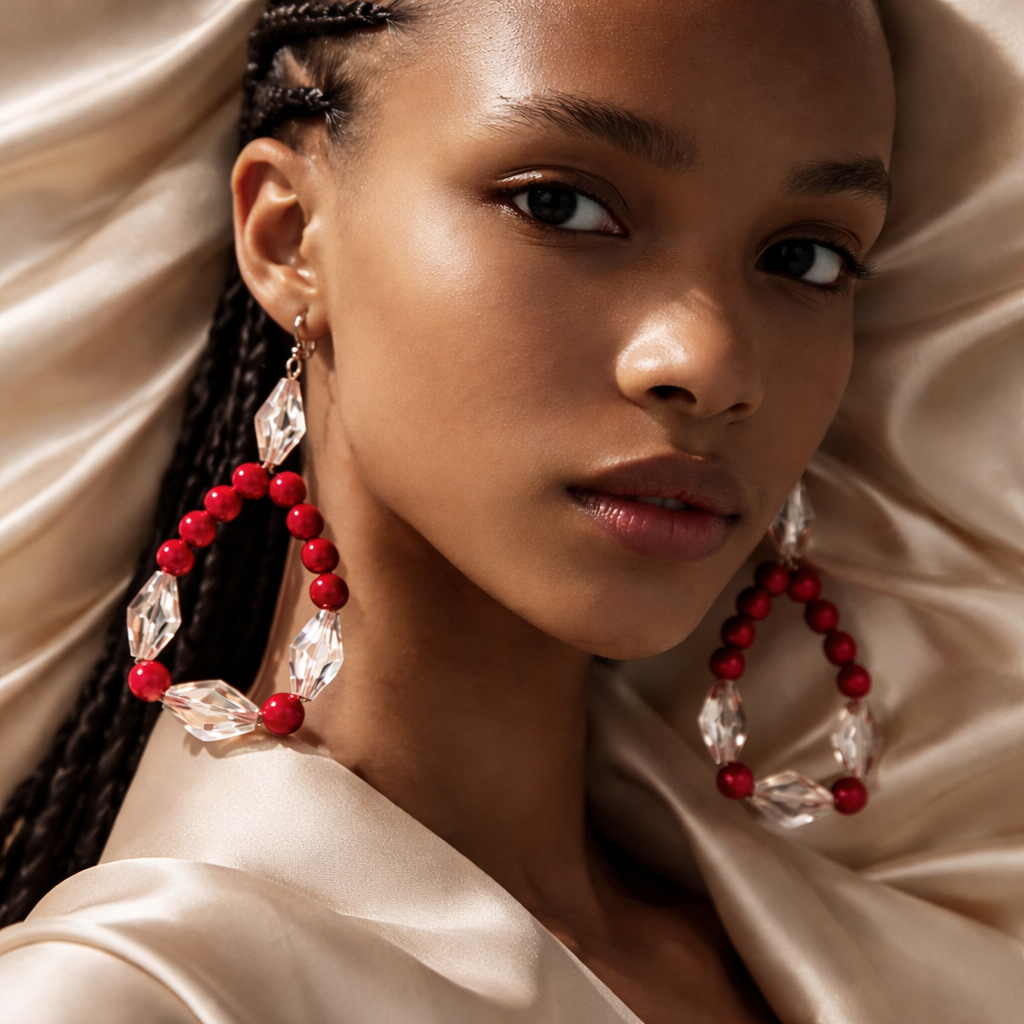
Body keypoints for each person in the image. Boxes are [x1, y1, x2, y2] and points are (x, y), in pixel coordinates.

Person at [0, 0, 1023, 1021]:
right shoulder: (131, 995)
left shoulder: (877, 956)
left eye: (804, 259)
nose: (710, 364)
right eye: (562, 206)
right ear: (289, 235)